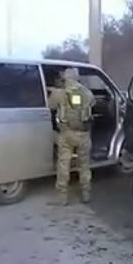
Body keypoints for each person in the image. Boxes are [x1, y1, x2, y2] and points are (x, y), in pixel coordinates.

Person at [48, 67, 96, 205]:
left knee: (63, 165)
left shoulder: (60, 93)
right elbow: (93, 103)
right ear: (77, 77)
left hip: (67, 133)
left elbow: (50, 105)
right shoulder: (87, 93)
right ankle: (86, 193)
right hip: (83, 134)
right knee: (84, 165)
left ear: (66, 78)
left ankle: (62, 197)